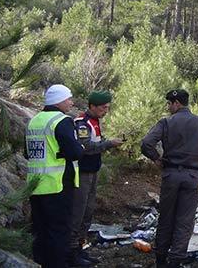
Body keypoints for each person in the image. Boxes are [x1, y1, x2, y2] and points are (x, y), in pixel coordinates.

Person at [140, 89, 198, 268]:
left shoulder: (165, 122)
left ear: (176, 103)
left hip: (171, 175)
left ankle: (161, 259)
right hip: (193, 175)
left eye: (169, 104)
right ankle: (176, 260)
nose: (168, 107)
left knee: (166, 218)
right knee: (185, 221)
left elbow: (146, 143)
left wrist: (157, 158)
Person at [26, 84, 83, 268]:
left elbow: (28, 153)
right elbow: (74, 152)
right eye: (68, 99)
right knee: (58, 232)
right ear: (59, 101)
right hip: (57, 185)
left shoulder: (34, 121)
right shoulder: (62, 121)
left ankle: (39, 263)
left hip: (35, 186)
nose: (71, 102)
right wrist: (79, 148)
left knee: (40, 230)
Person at [68, 91, 123, 266]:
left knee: (88, 211)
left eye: (107, 107)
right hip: (82, 173)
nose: (106, 111)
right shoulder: (82, 122)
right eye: (103, 107)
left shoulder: (95, 121)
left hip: (92, 171)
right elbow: (86, 147)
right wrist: (108, 144)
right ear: (92, 106)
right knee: (78, 212)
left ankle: (79, 249)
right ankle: (70, 253)